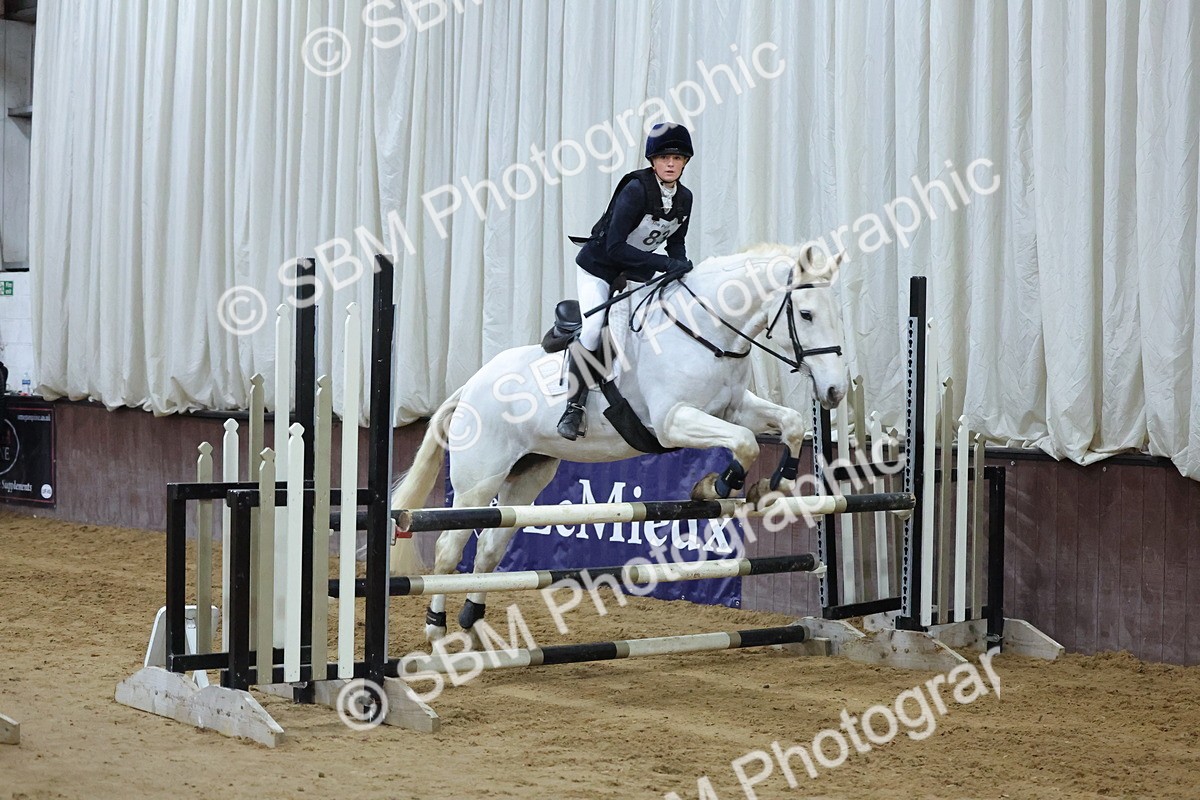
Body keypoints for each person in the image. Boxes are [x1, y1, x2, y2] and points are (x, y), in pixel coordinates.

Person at [557, 122, 696, 440]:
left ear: (686, 161)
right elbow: (615, 246)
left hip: (634, 274)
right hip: (600, 268)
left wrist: (682, 268)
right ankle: (573, 407)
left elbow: (675, 243)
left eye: (677, 157)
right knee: (593, 329)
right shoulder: (636, 190)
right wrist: (663, 263)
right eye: (664, 158)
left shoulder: (684, 198)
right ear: (652, 161)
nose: (671, 163)